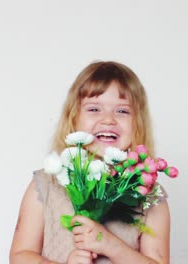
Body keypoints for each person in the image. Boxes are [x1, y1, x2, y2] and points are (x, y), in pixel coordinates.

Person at [9, 61, 170, 264]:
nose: (109, 119)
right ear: (73, 117)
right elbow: (20, 255)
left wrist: (110, 245)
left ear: (138, 123)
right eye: (94, 109)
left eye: (122, 111)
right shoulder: (46, 184)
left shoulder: (150, 195)